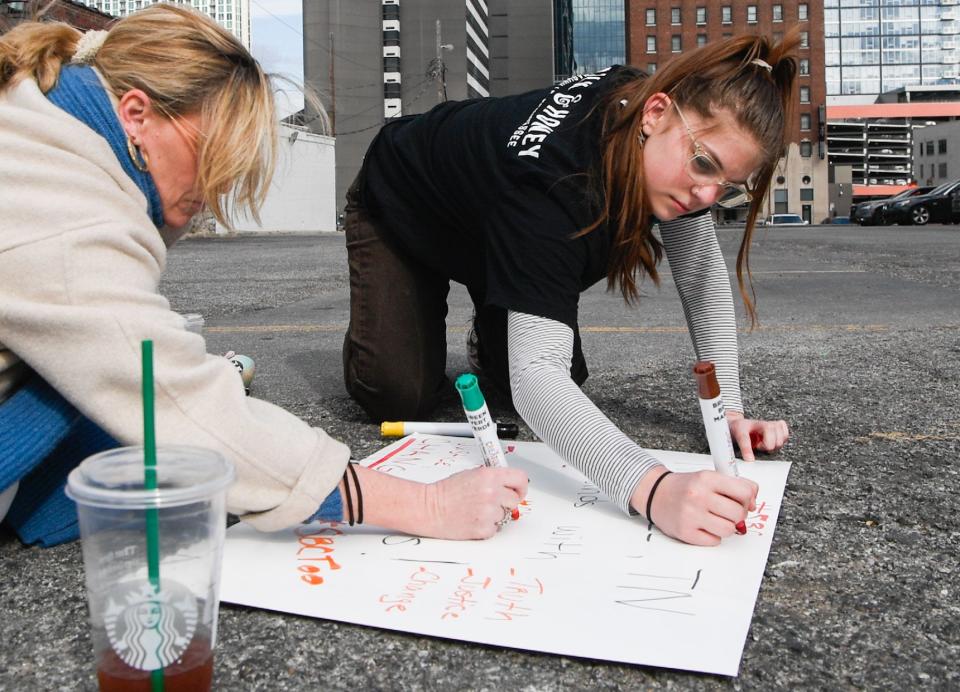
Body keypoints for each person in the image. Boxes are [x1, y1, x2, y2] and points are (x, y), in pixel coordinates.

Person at [0, 5, 526, 547]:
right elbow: (174, 401)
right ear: (137, 115)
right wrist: (424, 501)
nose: (214, 190)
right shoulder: (63, 207)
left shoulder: (36, 129)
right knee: (154, 402)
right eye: (211, 157)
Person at [343, 33, 798, 546]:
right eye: (704, 164)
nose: (707, 195)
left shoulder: (651, 125)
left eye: (728, 186)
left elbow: (700, 270)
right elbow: (539, 379)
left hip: (491, 231)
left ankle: (494, 315)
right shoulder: (555, 186)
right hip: (403, 204)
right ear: (654, 114)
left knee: (558, 382)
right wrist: (655, 490)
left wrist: (729, 409)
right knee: (396, 392)